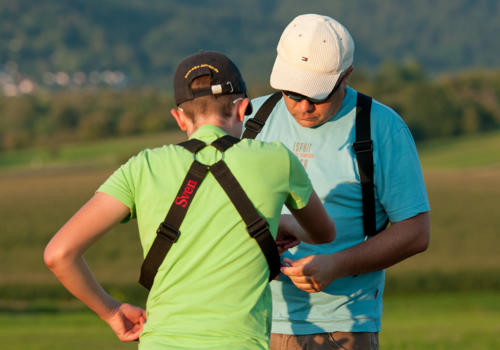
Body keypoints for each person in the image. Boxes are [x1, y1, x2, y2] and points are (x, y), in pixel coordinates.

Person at [43, 50, 336, 350]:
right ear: (243, 108)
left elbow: (59, 254)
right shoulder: (277, 160)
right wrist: (281, 224)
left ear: (179, 117)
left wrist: (112, 311)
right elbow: (324, 233)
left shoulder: (143, 166)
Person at [241, 14, 431, 350]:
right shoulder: (248, 120)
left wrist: (336, 266)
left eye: (316, 95)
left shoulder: (382, 128)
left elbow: (415, 232)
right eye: (291, 92)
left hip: (341, 326)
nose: (302, 106)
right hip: (244, 321)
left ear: (346, 76)